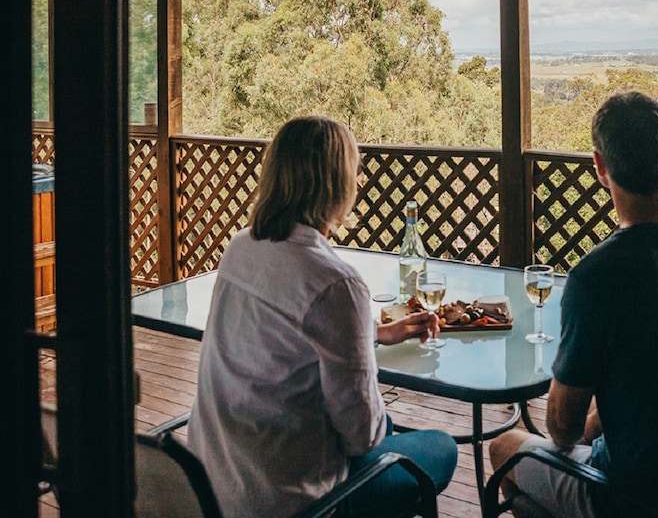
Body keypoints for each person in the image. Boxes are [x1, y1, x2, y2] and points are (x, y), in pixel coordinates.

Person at [489, 91, 658, 517]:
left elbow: (562, 430)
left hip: (636, 499)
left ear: (600, 167)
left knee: (506, 447)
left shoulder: (597, 275)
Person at [188, 116, 458, 518]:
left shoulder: (241, 247)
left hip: (212, 488)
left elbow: (283, 338)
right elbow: (362, 436)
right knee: (440, 447)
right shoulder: (336, 284)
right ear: (339, 185)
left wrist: (375, 334)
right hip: (295, 504)